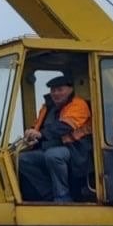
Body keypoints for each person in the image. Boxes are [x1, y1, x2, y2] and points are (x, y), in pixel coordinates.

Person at [18, 75, 92, 203]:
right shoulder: (47, 107)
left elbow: (64, 127)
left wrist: (41, 135)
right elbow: (38, 126)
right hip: (50, 147)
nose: (55, 93)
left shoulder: (79, 105)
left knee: (53, 156)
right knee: (22, 159)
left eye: (60, 89)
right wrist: (30, 134)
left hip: (76, 150)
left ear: (70, 89)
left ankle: (63, 197)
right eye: (53, 90)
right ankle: (49, 194)